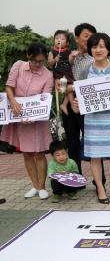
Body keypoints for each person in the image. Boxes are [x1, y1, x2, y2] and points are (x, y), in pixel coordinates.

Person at [73, 33, 110, 204]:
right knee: (95, 156)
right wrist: (77, 101)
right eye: (94, 46)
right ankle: (100, 187)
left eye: (102, 46)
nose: (98, 50)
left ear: (108, 49)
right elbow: (80, 99)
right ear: (90, 49)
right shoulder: (85, 71)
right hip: (93, 121)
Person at [0, 42, 53, 199]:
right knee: (27, 153)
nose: (38, 64)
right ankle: (35, 186)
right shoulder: (19, 66)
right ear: (28, 56)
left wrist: (34, 116)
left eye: (42, 61)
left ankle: (42, 187)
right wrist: (14, 102)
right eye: (35, 61)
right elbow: (9, 87)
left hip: (37, 119)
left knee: (38, 152)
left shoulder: (48, 75)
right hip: (18, 114)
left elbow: (45, 99)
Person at [58, 23, 106, 189]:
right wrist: (69, 92)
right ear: (77, 38)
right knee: (72, 144)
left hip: (89, 103)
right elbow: (60, 81)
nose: (89, 39)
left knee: (93, 144)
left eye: (92, 36)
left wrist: (74, 86)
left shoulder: (96, 57)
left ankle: (100, 181)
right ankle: (75, 180)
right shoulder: (69, 57)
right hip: (71, 102)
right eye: (86, 35)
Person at [48, 30, 76, 115]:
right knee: (69, 88)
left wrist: (73, 57)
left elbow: (70, 63)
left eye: (61, 39)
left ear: (67, 43)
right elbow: (49, 63)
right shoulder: (52, 51)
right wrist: (54, 60)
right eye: (56, 38)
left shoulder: (68, 52)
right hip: (59, 73)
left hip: (68, 72)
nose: (58, 40)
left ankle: (64, 104)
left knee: (69, 88)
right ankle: (72, 104)